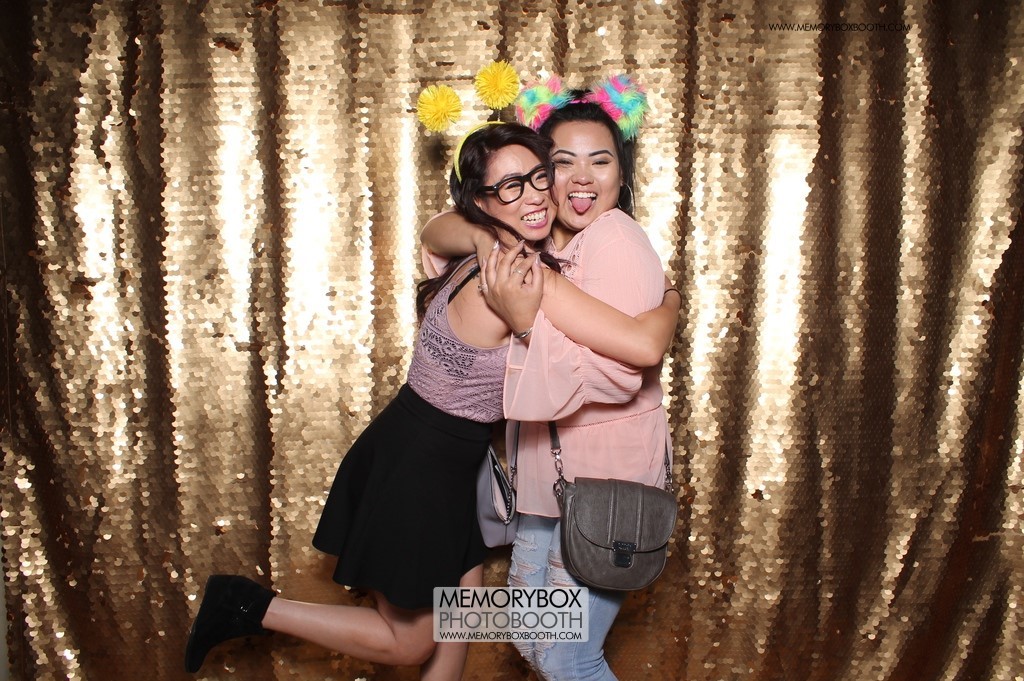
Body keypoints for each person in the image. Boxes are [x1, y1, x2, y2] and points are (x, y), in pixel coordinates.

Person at [184, 121, 677, 680]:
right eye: (510, 187)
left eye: (539, 177)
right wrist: (669, 303)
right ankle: (248, 606)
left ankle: (250, 605)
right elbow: (636, 351)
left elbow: (438, 229)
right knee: (413, 643)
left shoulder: (496, 248)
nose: (536, 195)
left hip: (441, 457)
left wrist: (482, 235)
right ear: (482, 203)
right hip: (420, 468)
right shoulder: (517, 273)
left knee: (461, 627)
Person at [421, 75, 673, 681]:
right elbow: (434, 233)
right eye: (562, 163)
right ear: (539, 175)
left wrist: (528, 317)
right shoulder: (534, 237)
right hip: (547, 472)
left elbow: (622, 372)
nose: (582, 178)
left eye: (600, 160)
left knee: (565, 653)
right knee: (525, 634)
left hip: (606, 479)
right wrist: (485, 236)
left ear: (622, 173)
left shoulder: (614, 237)